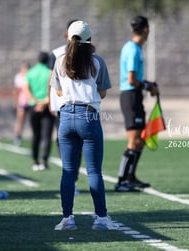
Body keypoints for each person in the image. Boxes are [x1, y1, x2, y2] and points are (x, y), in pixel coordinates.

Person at [51, 20, 118, 230]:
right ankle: (101, 219)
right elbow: (103, 92)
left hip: (65, 117)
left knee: (68, 171)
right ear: (90, 39)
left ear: (69, 38)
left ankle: (67, 219)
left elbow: (58, 91)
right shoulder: (97, 62)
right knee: (94, 171)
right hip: (88, 116)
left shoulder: (60, 61)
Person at [115, 15, 159, 192]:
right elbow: (131, 79)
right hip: (130, 96)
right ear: (146, 30)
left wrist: (148, 85)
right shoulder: (133, 49)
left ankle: (130, 177)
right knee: (133, 141)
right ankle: (121, 181)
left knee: (140, 140)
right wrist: (148, 86)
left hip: (135, 96)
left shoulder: (133, 47)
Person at [49, 19, 82, 195]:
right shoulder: (56, 54)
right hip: (63, 107)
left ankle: (73, 178)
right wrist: (50, 102)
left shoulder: (88, 54)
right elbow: (51, 81)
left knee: (80, 142)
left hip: (83, 108)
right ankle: (70, 180)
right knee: (66, 142)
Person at [23, 52, 55, 171]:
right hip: (47, 106)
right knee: (47, 136)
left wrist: (36, 102)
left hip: (34, 107)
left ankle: (35, 161)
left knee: (36, 135)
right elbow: (52, 88)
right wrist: (44, 101)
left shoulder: (30, 72)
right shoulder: (49, 72)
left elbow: (26, 89)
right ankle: (44, 161)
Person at [13, 62, 31, 146]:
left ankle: (38, 138)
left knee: (33, 120)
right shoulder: (18, 77)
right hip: (22, 102)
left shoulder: (30, 76)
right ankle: (18, 136)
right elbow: (16, 92)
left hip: (30, 102)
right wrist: (16, 104)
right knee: (20, 120)